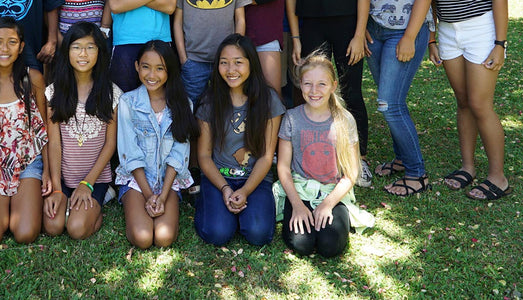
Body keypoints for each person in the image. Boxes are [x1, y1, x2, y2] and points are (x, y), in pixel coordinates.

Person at [422, 0, 512, 201]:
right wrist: (432, 38)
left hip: (480, 31)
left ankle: (497, 177)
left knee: (479, 103)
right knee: (462, 101)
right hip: (447, 32)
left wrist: (499, 44)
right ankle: (467, 167)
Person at [286, 0, 373, 188]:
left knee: (350, 91)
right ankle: (313, 155)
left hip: (347, 27)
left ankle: (359, 159)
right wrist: (296, 38)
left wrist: (359, 33)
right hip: (310, 27)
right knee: (312, 91)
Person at [360, 0, 438, 197]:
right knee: (390, 99)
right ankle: (402, 159)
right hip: (374, 31)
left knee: (389, 104)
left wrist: (409, 37)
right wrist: (361, 25)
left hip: (405, 32)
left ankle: (417, 174)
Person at [276, 51, 373, 258]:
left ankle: (334, 214)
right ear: (300, 85)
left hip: (332, 191)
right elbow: (283, 167)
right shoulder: (292, 118)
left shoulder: (344, 120)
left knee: (330, 245)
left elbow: (351, 172)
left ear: (333, 86)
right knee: (302, 244)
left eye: (322, 84)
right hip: (300, 189)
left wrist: (327, 204)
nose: (314, 91)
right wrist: (297, 205)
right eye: (307, 84)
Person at [194, 34, 284, 247]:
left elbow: (266, 155)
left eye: (238, 62)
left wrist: (244, 191)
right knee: (218, 233)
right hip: (218, 178)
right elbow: (204, 156)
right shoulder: (209, 101)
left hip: (255, 178)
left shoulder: (269, 100)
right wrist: (225, 188)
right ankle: (211, 205)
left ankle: (241, 210)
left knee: (258, 234)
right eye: (224, 63)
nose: (230, 69)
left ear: (251, 64)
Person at [0, 18, 52, 244]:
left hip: (28, 163)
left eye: (12, 42)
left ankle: (24, 201)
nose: (4, 48)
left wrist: (47, 172)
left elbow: (43, 130)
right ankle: (0, 203)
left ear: (21, 46)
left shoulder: (33, 79)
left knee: (25, 233)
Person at [43, 23, 121, 239]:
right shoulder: (54, 92)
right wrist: (57, 189)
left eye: (91, 47)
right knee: (53, 227)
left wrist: (88, 184)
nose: (83, 54)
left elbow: (110, 145)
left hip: (95, 178)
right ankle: (69, 202)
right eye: (76, 47)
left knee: (76, 230)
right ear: (67, 51)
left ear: (100, 52)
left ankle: (101, 198)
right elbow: (54, 143)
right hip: (65, 179)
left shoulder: (110, 93)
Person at [115, 40, 196, 249]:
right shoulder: (128, 102)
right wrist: (149, 195)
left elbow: (179, 154)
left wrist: (164, 193)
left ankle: (162, 205)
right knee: (142, 238)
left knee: (164, 237)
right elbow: (130, 153)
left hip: (168, 181)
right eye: (146, 67)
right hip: (137, 180)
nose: (152, 75)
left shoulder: (183, 104)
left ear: (170, 70)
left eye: (160, 68)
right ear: (136, 67)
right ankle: (133, 207)